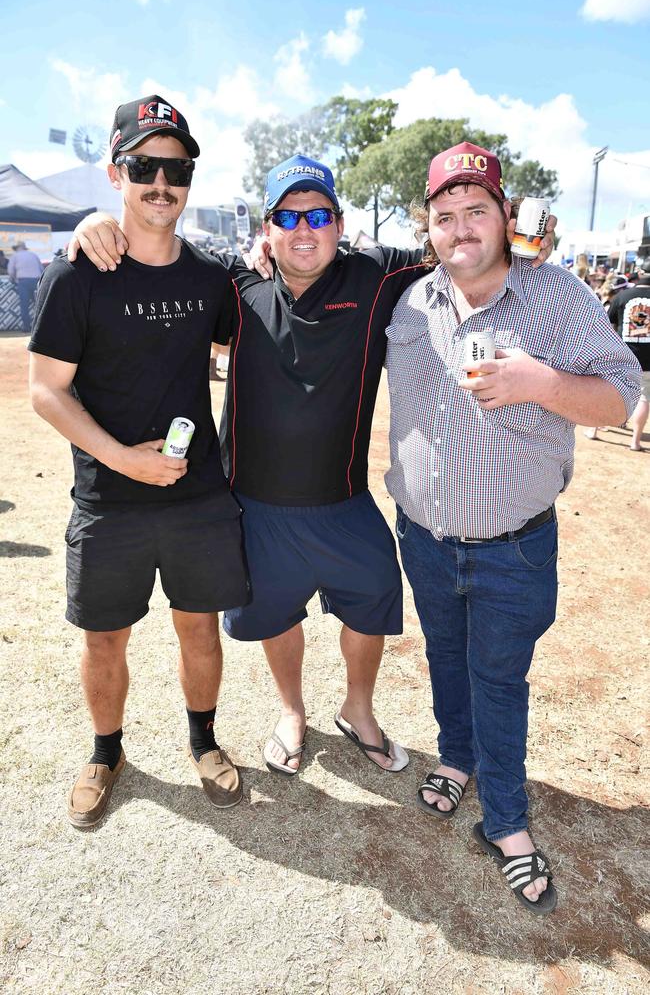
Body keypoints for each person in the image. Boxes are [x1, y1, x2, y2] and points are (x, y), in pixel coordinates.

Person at [69, 150, 557, 782]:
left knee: (374, 600)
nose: (305, 230)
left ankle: (358, 709)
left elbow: (464, 243)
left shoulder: (377, 276)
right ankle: (292, 711)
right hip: (257, 503)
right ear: (266, 230)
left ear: (340, 221)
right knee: (278, 614)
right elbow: (158, 259)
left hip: (346, 498)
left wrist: (526, 240)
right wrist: (90, 228)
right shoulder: (233, 287)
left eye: (319, 214)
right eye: (289, 217)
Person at [384, 142, 641, 915]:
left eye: (476, 211)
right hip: (423, 537)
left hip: (513, 547)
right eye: (445, 215)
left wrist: (543, 383)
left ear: (505, 216)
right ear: (428, 226)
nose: (461, 229)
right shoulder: (407, 300)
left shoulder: (557, 295)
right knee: (445, 657)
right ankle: (455, 759)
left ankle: (506, 821)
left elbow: (622, 395)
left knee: (500, 679)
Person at [29, 94, 250, 828]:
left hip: (197, 498)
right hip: (109, 500)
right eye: (144, 166)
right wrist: (122, 459)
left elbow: (259, 336)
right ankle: (105, 752)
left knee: (199, 627)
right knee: (104, 637)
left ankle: (204, 742)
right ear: (116, 172)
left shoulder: (212, 278)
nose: (162, 183)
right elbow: (47, 392)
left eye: (176, 169)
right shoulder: (77, 276)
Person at [604, 256, 650, 450]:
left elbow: (608, 324)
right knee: (645, 398)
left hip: (624, 355)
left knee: (610, 390)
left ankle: (597, 428)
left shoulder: (623, 296)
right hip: (649, 358)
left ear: (640, 273)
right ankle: (635, 441)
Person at [8, 241, 43, 330]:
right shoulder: (33, 255)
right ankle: (42, 327)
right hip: (36, 281)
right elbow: (41, 269)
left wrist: (12, 279)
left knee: (24, 305)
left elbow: (11, 271)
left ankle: (26, 327)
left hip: (23, 282)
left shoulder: (15, 256)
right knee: (40, 304)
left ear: (17, 248)